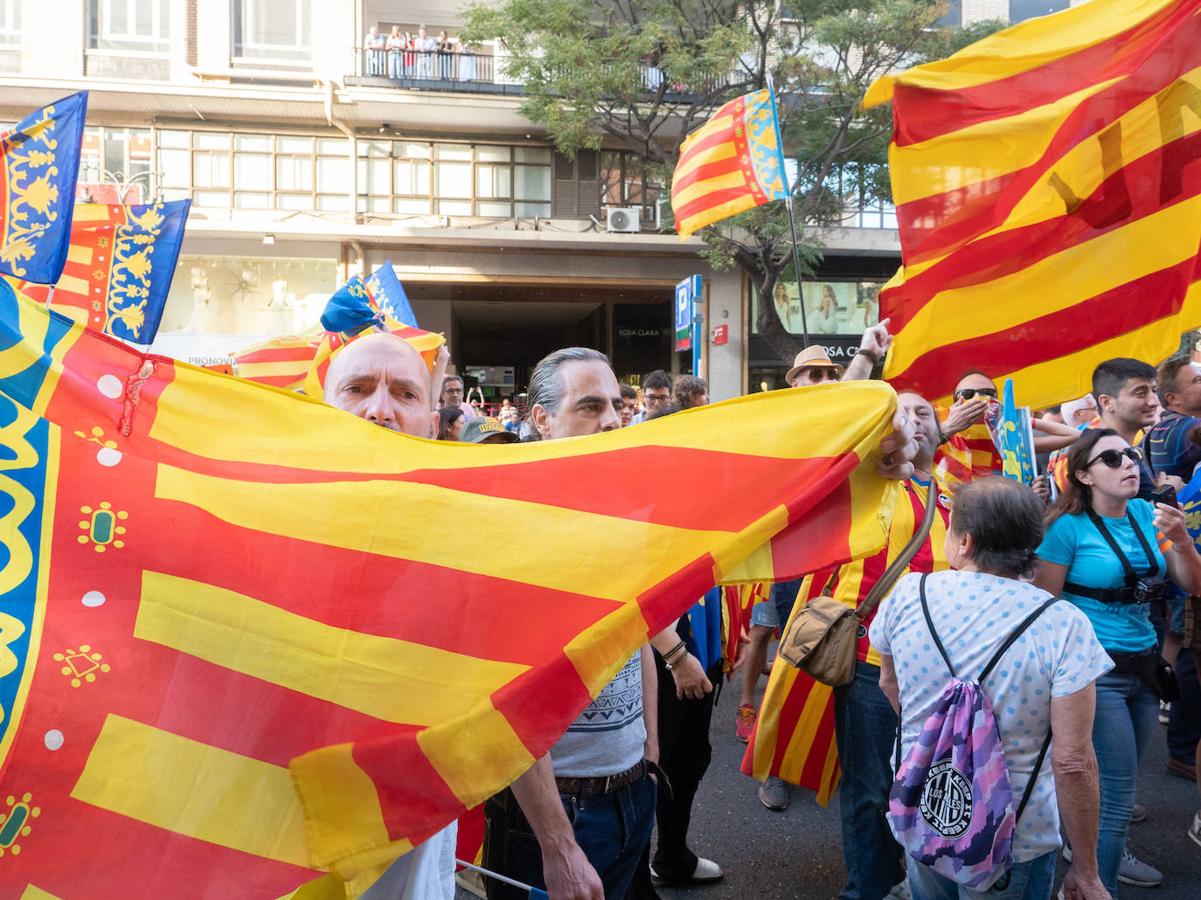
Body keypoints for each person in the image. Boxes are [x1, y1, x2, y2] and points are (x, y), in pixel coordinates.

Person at [873, 477, 1113, 900]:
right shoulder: (1062, 623)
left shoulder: (911, 593)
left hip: (924, 805)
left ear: (964, 541)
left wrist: (940, 742)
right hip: (1016, 834)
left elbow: (889, 683)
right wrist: (1088, 870)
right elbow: (1073, 761)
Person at [1034, 428, 1201, 893]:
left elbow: (1194, 583)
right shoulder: (1065, 528)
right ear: (1083, 474)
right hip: (1093, 676)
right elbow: (1042, 605)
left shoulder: (1149, 515)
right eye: (1112, 459)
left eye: (1130, 454)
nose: (1129, 462)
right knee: (1119, 795)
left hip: (1144, 667)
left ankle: (1087, 855)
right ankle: (1092, 880)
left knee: (1113, 788)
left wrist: (1183, 541)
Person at [322, 333, 454, 898]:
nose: (380, 409)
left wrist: (557, 841)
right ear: (323, 405)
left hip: (414, 842)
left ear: (429, 418)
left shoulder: (468, 536)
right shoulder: (241, 517)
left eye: (404, 393)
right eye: (357, 389)